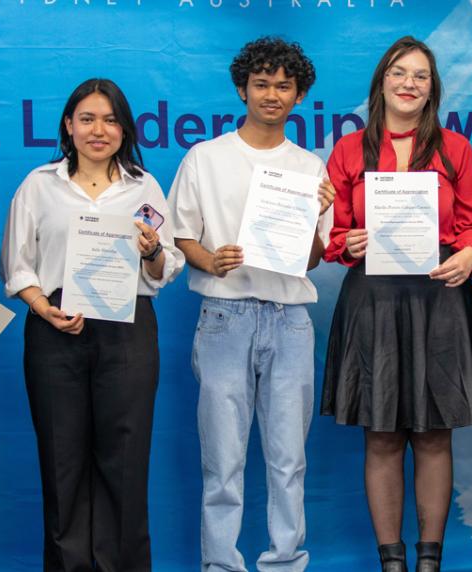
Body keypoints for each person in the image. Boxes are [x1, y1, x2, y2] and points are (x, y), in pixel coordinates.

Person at [321, 36, 472, 572]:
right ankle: (392, 563)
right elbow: (334, 233)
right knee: (381, 435)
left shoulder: (455, 148)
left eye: (420, 76)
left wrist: (469, 253)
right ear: (381, 83)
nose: (409, 83)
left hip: (439, 298)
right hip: (373, 302)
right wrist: (347, 241)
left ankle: (428, 562)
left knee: (434, 433)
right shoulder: (349, 150)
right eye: (399, 73)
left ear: (432, 89)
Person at [0, 78, 183, 571]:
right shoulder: (40, 184)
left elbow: (164, 269)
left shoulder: (143, 187)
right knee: (62, 461)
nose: (98, 130)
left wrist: (152, 250)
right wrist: (42, 307)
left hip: (128, 331)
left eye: (109, 120)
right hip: (56, 326)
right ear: (68, 126)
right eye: (87, 119)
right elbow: (17, 264)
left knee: (125, 460)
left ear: (124, 129)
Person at [167, 37, 334, 572]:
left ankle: (285, 562)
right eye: (261, 84)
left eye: (284, 86)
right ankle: (221, 565)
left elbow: (311, 259)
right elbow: (180, 235)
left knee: (289, 460)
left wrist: (316, 215)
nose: (271, 94)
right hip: (225, 316)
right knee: (222, 461)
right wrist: (210, 259)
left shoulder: (310, 167)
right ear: (243, 89)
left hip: (289, 321)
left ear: (299, 95)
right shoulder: (206, 157)